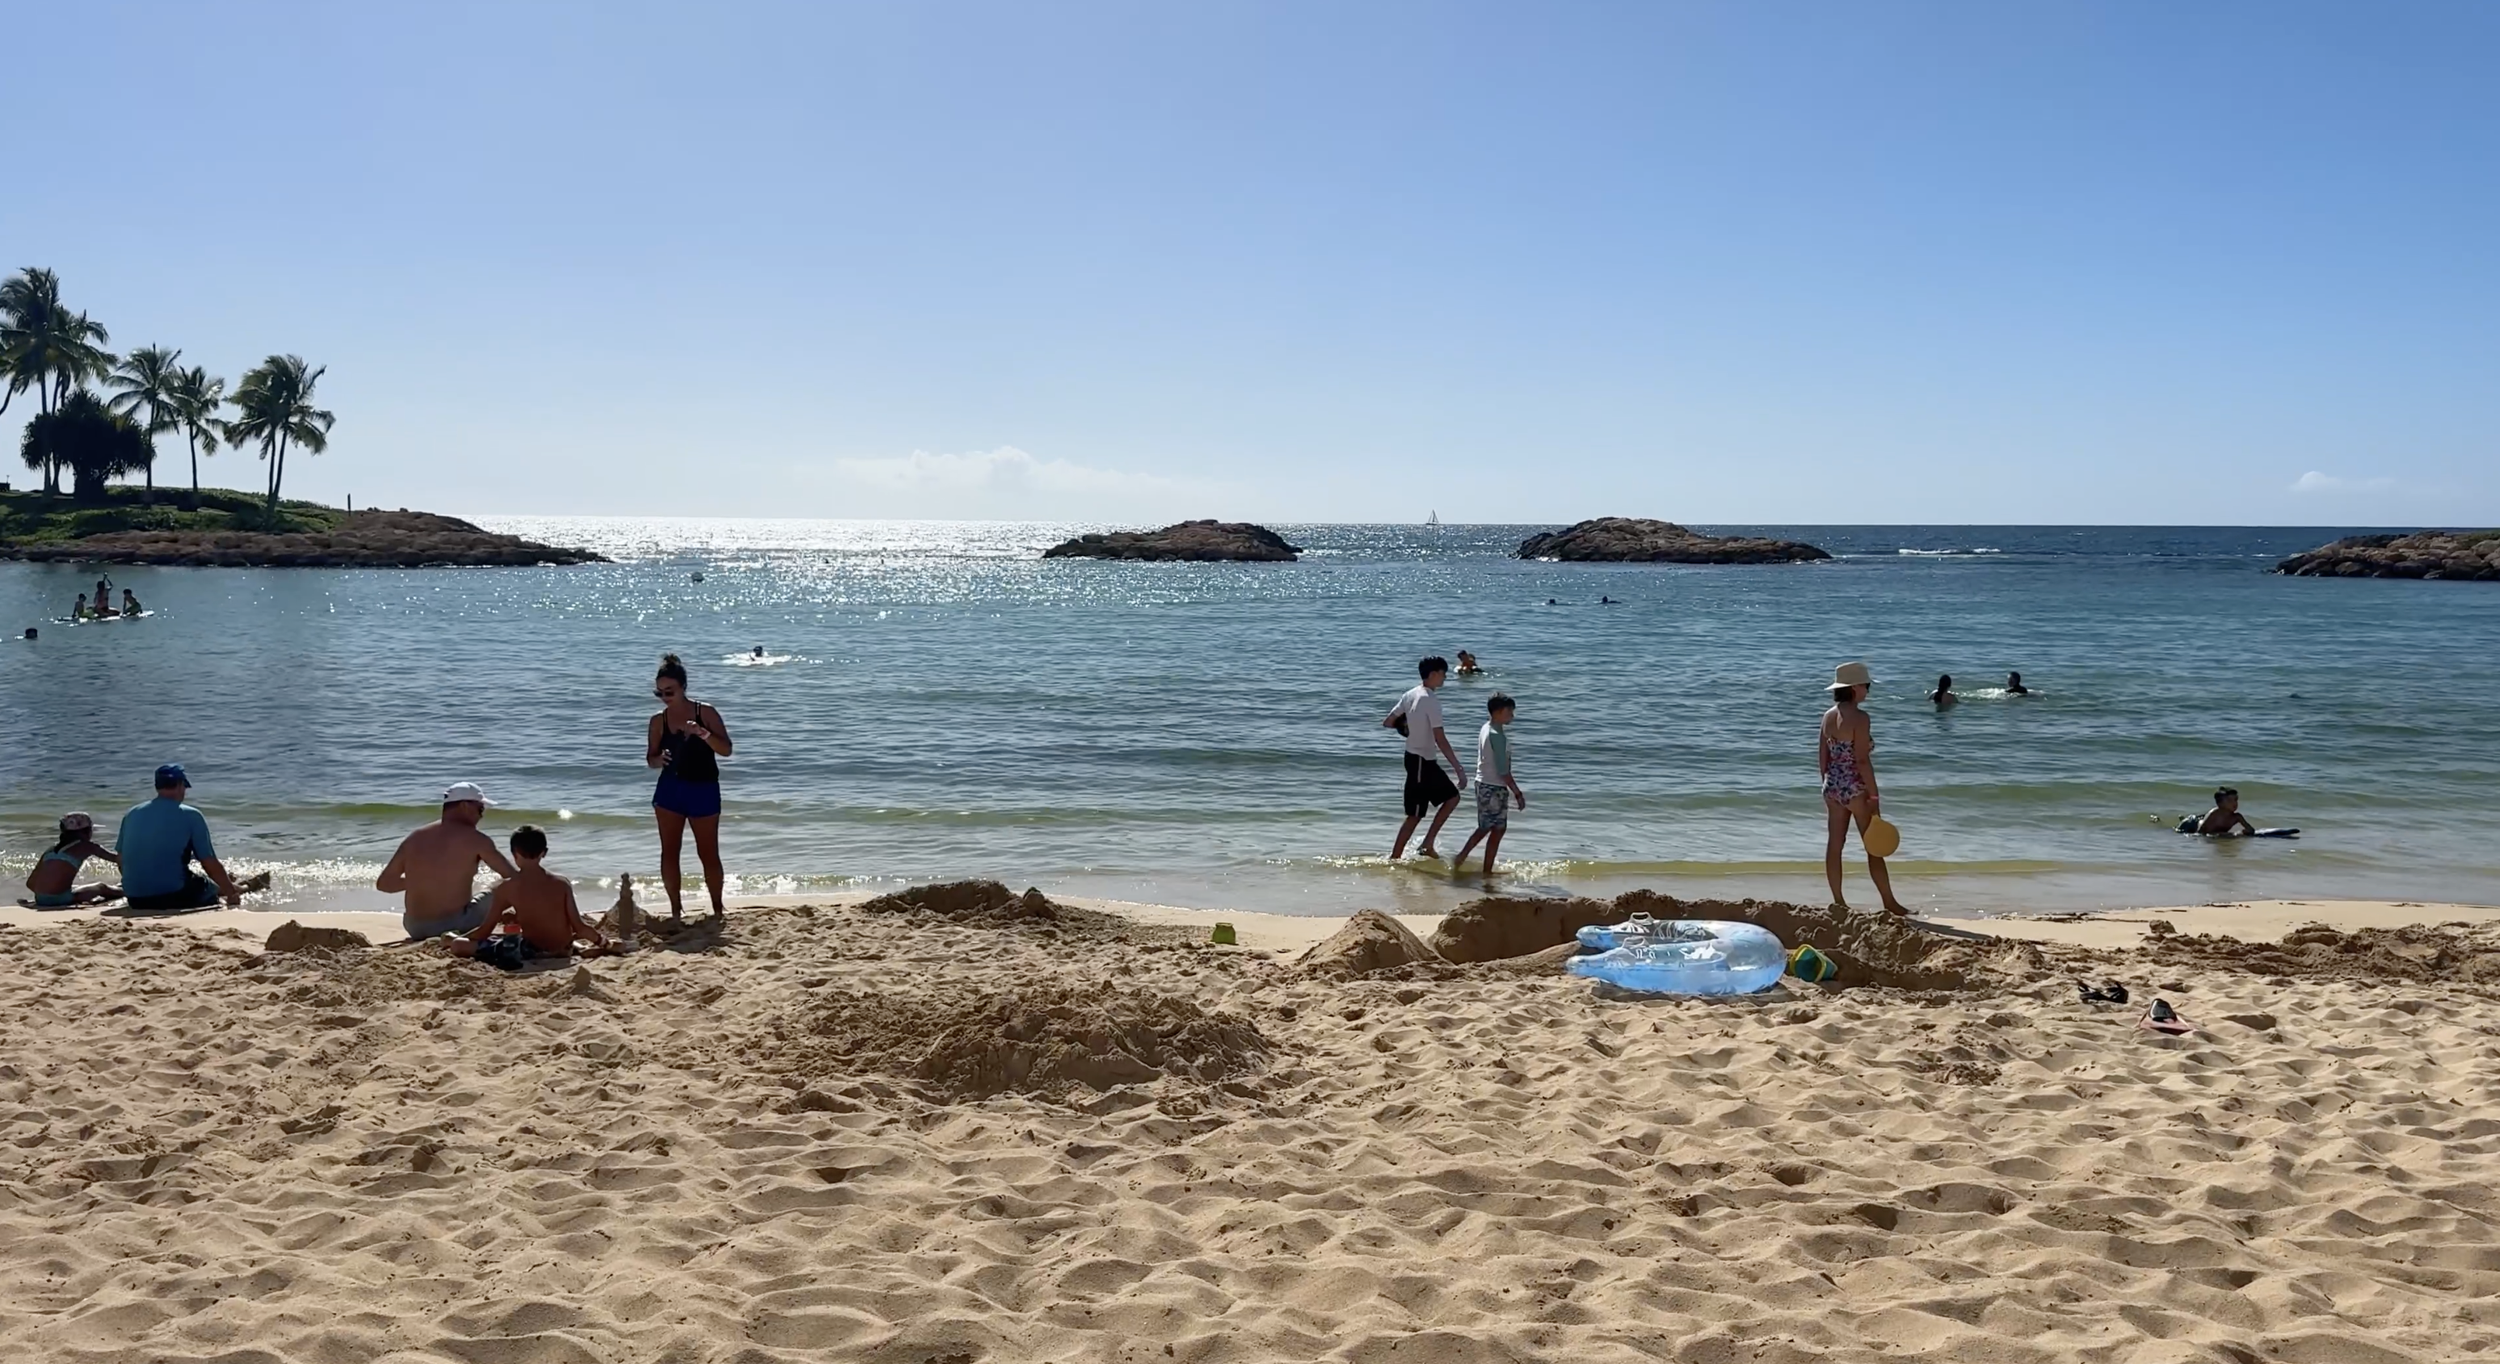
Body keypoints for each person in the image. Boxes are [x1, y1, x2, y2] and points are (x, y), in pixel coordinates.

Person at [1819, 664, 1911, 916]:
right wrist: (1874, 795)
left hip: (1832, 785)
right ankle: (1889, 903)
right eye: (1866, 686)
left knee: (1834, 845)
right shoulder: (1861, 718)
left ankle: (1838, 901)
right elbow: (1861, 760)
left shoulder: (1828, 716)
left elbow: (1822, 756)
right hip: (1855, 787)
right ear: (1855, 688)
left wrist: (1829, 786)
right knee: (1873, 845)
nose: (1868, 691)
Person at [445, 825, 608, 965]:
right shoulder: (562, 883)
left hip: (532, 951)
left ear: (514, 854)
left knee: (460, 944)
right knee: (511, 933)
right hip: (564, 949)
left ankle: (452, 940)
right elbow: (579, 927)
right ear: (544, 853)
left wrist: (458, 939)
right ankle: (581, 948)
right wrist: (604, 943)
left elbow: (484, 931)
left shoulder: (507, 887)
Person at [648, 653, 732, 919]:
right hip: (669, 790)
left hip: (703, 788)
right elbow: (650, 758)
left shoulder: (704, 712)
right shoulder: (658, 720)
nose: (664, 697)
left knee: (708, 853)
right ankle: (675, 910)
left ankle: (718, 908)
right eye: (659, 692)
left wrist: (702, 733)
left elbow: (726, 749)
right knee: (669, 852)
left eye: (669, 691)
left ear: (683, 687)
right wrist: (658, 759)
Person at [376, 781, 517, 939]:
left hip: (415, 927)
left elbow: (384, 884)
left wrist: (419, 881)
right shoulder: (476, 839)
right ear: (464, 806)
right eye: (480, 809)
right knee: (505, 886)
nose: (481, 815)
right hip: (455, 925)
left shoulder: (415, 837)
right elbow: (515, 878)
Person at [115, 765, 262, 911]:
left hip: (135, 899)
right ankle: (239, 888)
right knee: (209, 888)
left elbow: (121, 860)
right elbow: (208, 862)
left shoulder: (131, 814)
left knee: (192, 878)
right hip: (173, 897)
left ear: (157, 786)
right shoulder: (191, 815)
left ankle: (235, 885)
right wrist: (231, 895)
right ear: (180, 785)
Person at [1385, 655, 1469, 859]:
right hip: (1422, 761)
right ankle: (1416, 848)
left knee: (1437, 805)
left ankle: (1408, 852)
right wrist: (1459, 768)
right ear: (1432, 674)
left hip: (1414, 758)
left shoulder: (1410, 694)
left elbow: (1389, 721)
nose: (1445, 678)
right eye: (1443, 674)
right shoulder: (1430, 700)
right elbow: (1440, 738)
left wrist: (1408, 727)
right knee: (1427, 809)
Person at [1452, 694, 1526, 875]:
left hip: (1483, 783)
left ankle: (1471, 862)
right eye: (1510, 712)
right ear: (1499, 712)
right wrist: (1517, 792)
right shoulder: (1496, 735)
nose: (1512, 716)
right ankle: (1470, 862)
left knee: (1492, 827)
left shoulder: (1486, 727)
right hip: (1493, 786)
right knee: (1493, 828)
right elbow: (1503, 771)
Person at [25, 812, 120, 908]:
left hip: (40, 898)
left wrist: (48, 893)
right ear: (86, 831)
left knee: (76, 887)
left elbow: (30, 884)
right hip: (60, 898)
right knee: (101, 887)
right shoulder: (87, 846)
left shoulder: (51, 850)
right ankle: (126, 892)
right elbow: (116, 859)